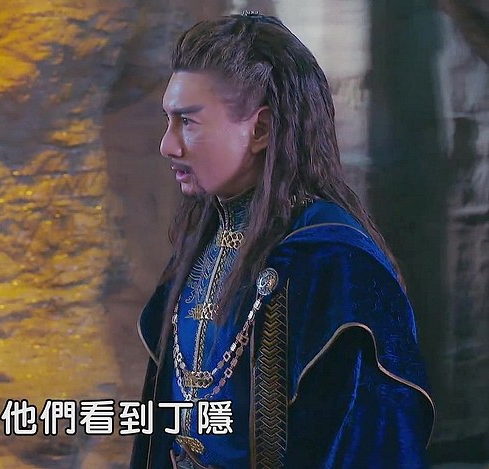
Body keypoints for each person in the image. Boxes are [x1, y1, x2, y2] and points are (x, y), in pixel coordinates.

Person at [130, 12, 435, 469]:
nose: (167, 146)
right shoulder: (202, 245)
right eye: (168, 121)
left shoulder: (334, 266)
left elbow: (371, 446)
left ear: (261, 129)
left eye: (187, 122)